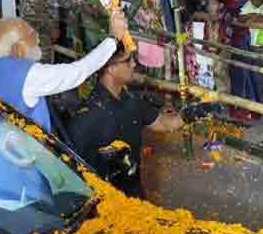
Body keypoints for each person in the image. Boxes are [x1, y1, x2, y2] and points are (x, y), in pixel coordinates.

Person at [68, 38, 187, 197]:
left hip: (135, 194)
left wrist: (194, 113)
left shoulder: (130, 100)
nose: (133, 64)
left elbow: (164, 123)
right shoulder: (87, 116)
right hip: (105, 203)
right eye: (127, 61)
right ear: (111, 68)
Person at [0, 12, 127, 134]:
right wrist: (113, 39)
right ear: (16, 49)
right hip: (19, 155)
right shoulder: (30, 76)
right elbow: (78, 71)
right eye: (31, 35)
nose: (38, 40)